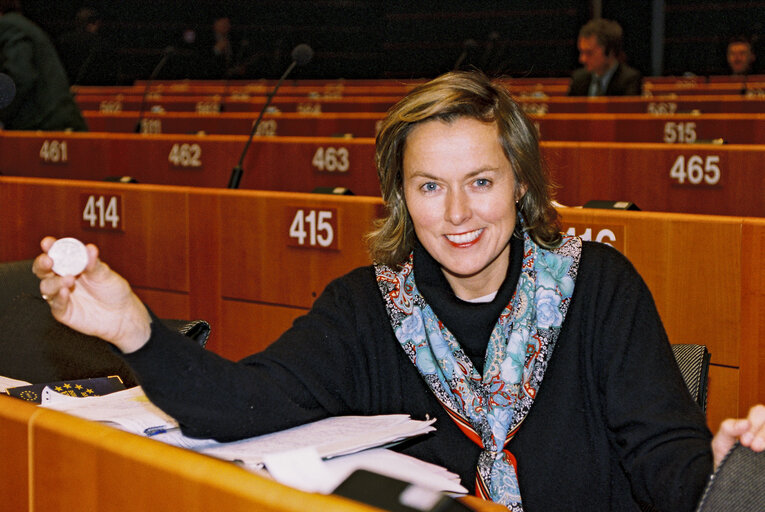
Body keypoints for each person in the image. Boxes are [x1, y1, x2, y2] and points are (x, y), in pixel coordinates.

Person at [34, 71, 765, 511]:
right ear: (399, 198)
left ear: (521, 185)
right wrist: (135, 331)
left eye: (480, 182)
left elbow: (664, 459)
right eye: (429, 186)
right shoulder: (364, 308)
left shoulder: (600, 289)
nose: (456, 215)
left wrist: (723, 479)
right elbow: (240, 409)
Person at [0, 0, 87, 130]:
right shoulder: (20, 24)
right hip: (54, 124)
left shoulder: (7, 25)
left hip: (49, 127)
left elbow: (21, 77)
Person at [568, 18, 642, 96]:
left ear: (610, 52)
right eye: (581, 52)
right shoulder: (578, 79)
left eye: (589, 53)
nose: (582, 59)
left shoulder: (629, 80)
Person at [56, 7, 115, 86]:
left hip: (66, 89)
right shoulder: (102, 44)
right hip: (93, 91)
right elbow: (109, 74)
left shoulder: (62, 41)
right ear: (95, 23)